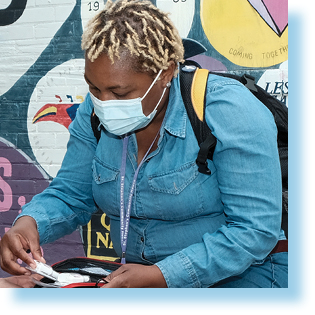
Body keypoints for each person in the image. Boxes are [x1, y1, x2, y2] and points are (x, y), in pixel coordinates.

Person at [0, 0, 287, 288]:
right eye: (94, 88)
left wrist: (162, 277)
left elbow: (253, 231)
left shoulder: (227, 109)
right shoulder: (94, 111)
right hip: (139, 277)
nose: (104, 102)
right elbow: (71, 193)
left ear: (164, 73)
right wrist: (29, 225)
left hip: (245, 275)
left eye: (119, 92)